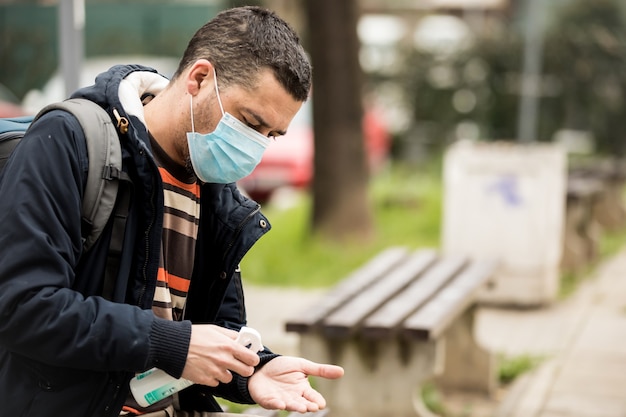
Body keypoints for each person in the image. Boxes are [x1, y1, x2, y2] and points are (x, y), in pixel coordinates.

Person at [0, 6, 343, 417]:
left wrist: (254, 372)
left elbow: (213, 335)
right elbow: (23, 305)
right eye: (251, 124)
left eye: (272, 135)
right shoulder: (69, 142)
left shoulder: (214, 185)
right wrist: (172, 345)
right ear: (199, 79)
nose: (255, 147)